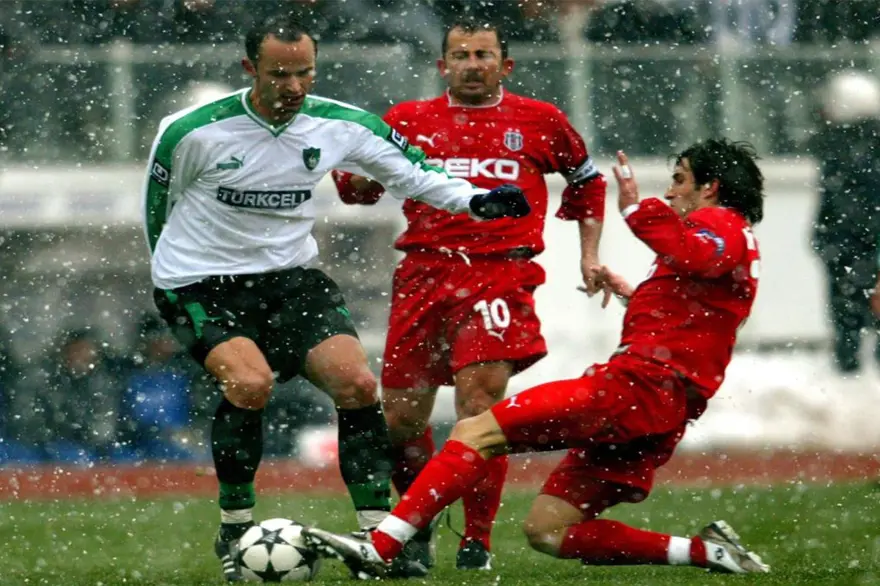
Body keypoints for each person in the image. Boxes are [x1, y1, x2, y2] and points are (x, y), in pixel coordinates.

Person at [141, 14, 530, 583]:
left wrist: (474, 201)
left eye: (304, 73)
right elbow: (157, 207)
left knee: (358, 386)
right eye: (279, 74)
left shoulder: (341, 124)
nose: (293, 86)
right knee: (250, 385)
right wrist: (172, 278)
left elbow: (414, 173)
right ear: (250, 68)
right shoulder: (192, 131)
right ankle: (234, 524)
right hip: (201, 282)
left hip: (290, 278)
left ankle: (376, 533)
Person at [303, 139, 771, 577]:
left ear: (711, 187)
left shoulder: (722, 223)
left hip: (638, 387)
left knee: (476, 430)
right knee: (548, 530)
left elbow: (696, 256)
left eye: (680, 179)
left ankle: (382, 545)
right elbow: (705, 310)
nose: (669, 193)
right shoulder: (735, 240)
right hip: (664, 404)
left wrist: (635, 209)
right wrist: (640, 296)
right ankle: (708, 551)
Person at [332, 17, 606, 571]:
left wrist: (590, 255)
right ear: (443, 65)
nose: (472, 65)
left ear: (506, 65)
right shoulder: (407, 121)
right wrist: (356, 172)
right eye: (461, 55)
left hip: (498, 275)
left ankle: (475, 542)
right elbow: (357, 188)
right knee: (401, 421)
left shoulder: (541, 120)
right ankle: (418, 525)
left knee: (479, 410)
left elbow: (587, 180)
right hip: (423, 274)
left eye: (483, 55)